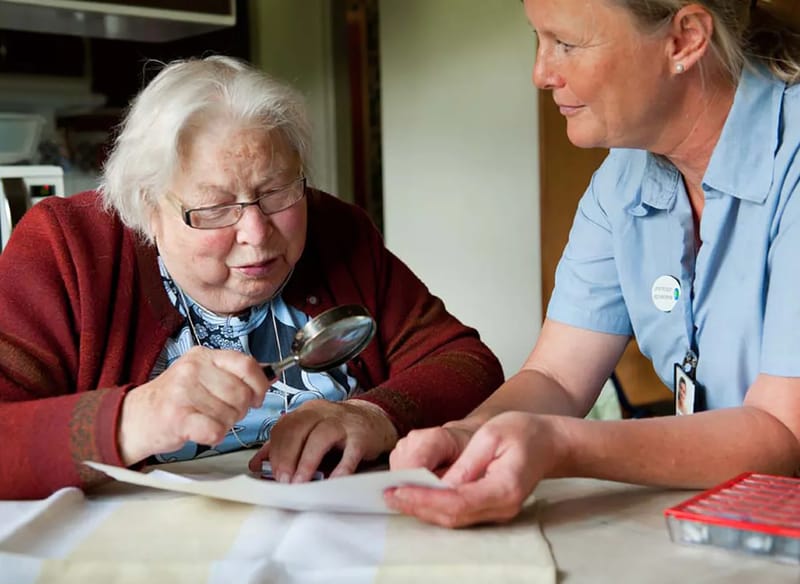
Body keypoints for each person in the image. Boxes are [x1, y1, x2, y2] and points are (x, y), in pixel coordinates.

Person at [0, 55, 504, 500]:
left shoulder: (336, 229)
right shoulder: (68, 248)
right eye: (216, 208)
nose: (257, 233)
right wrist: (135, 417)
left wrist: (373, 415)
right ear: (148, 209)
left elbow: (466, 363)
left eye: (278, 191)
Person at [385, 0, 800, 527]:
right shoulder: (622, 179)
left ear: (685, 40)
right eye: (538, 39)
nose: (541, 73)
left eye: (567, 43)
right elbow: (556, 377)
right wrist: (467, 438)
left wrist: (558, 444)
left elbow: (783, 434)